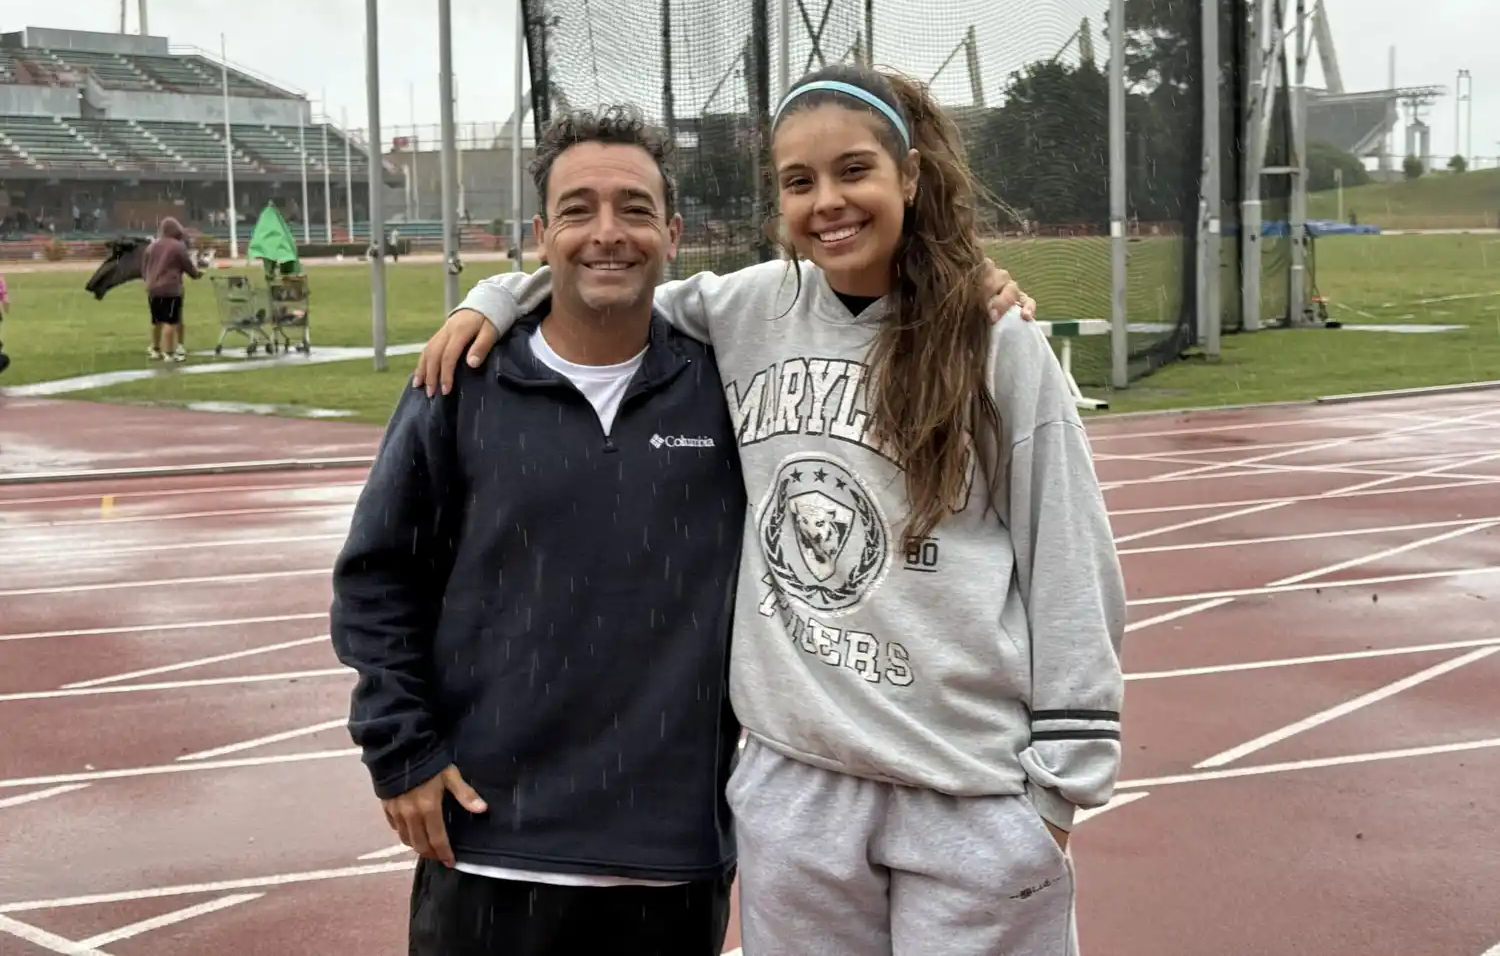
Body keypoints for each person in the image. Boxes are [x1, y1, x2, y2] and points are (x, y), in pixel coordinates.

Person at [416, 64, 1125, 955]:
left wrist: (1059, 790)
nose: (828, 202)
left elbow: (1070, 555)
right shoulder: (751, 307)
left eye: (854, 170)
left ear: (909, 177)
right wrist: (495, 295)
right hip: (798, 793)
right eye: (799, 182)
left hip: (968, 791)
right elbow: (610, 283)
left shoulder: (997, 345)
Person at [330, 107, 749, 956]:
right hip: (487, 843)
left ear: (672, 233)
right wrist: (399, 749)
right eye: (578, 209)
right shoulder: (462, 381)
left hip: (668, 857)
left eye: (634, 209)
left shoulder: (729, 386)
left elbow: (864, 317)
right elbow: (378, 575)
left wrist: (981, 295)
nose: (607, 234)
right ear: (540, 233)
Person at [141, 216, 201, 362]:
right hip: (171, 289)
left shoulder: (151, 247)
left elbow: (144, 268)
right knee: (171, 322)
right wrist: (196, 274)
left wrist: (149, 281)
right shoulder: (177, 247)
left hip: (153, 288)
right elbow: (187, 265)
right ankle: (169, 353)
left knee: (156, 321)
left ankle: (155, 349)